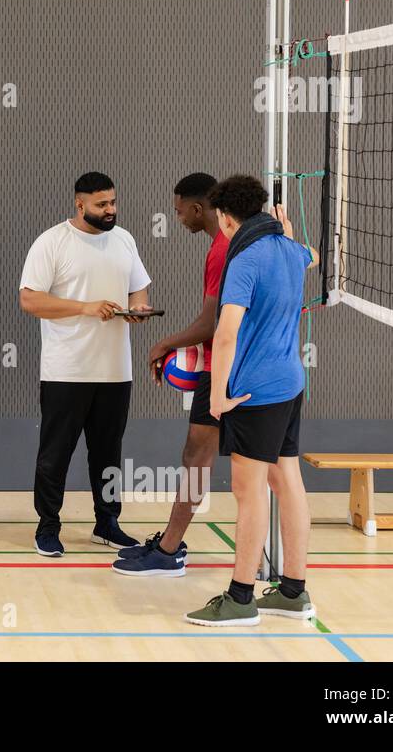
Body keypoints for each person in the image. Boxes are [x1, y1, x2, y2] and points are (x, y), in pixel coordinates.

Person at [184, 175, 319, 626]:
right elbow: (312, 257)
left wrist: (218, 394)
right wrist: (290, 233)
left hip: (253, 392)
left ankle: (241, 598)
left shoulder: (244, 259)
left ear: (224, 218)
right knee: (287, 482)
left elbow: (225, 334)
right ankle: (294, 593)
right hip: (289, 383)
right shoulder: (288, 250)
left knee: (249, 492)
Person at [19, 171, 155, 557]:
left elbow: (138, 284)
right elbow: (30, 300)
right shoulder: (52, 242)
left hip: (116, 370)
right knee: (55, 454)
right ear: (80, 205)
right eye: (101, 204)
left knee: (108, 453)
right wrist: (85, 308)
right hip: (67, 370)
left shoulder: (124, 239)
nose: (110, 210)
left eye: (113, 202)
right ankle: (48, 527)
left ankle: (107, 523)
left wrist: (138, 307)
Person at [115, 172, 226, 577]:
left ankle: (169, 551)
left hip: (225, 371)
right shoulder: (236, 243)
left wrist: (167, 343)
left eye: (179, 212)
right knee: (207, 459)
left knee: (198, 458)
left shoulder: (220, 251)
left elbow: (212, 323)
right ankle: (170, 545)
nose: (177, 219)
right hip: (240, 369)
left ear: (198, 209)